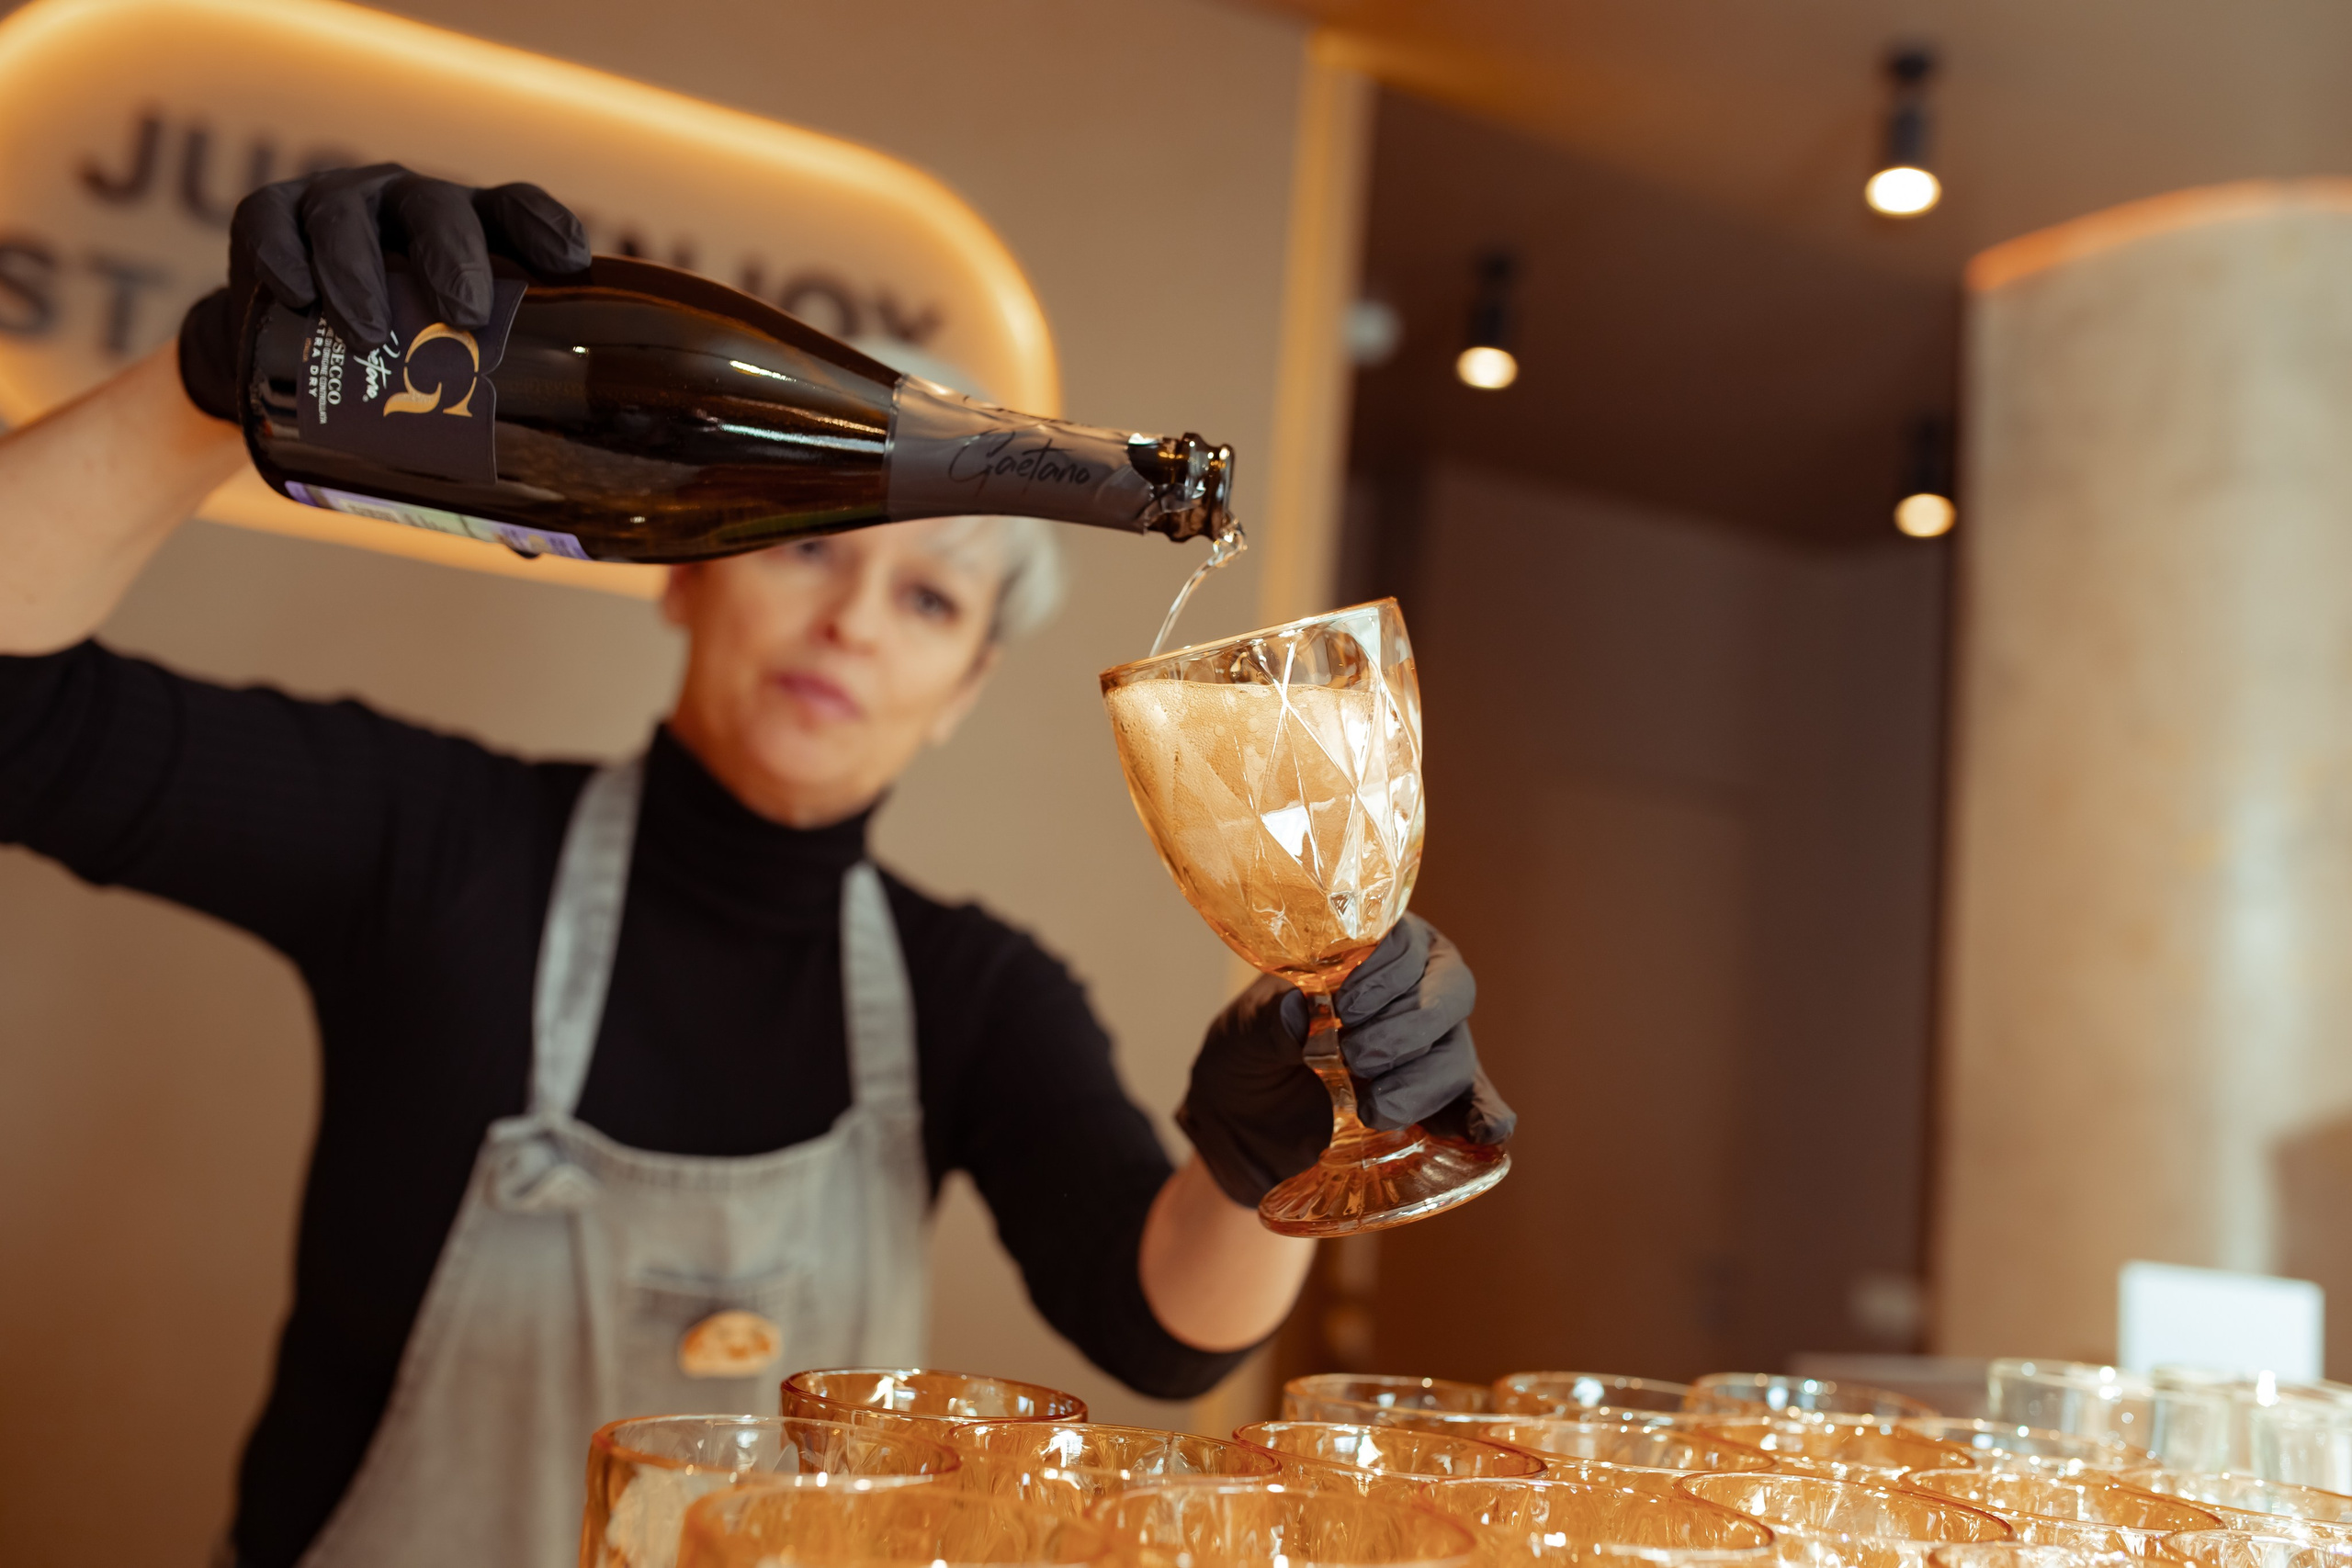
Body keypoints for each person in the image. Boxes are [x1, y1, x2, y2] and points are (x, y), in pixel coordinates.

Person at [0, 166, 1514, 1568]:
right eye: (811, 550)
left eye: (927, 600)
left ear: (964, 691)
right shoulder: (433, 840)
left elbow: (1160, 1324)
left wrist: (1270, 1159)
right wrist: (220, 383)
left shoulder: (970, 991)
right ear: (688, 559)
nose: (854, 621)